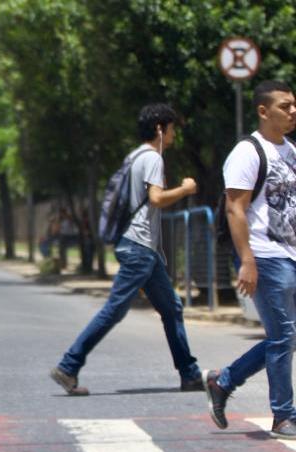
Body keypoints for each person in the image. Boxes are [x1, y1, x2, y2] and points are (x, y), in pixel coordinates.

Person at [50, 103, 203, 395]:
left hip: (141, 247)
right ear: (160, 128)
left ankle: (190, 374)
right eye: (171, 129)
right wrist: (185, 190)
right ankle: (69, 366)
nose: (173, 135)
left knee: (172, 309)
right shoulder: (154, 158)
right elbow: (156, 199)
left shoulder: (133, 156)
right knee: (114, 311)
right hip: (140, 247)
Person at [204, 80, 296, 439]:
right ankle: (283, 415)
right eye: (285, 106)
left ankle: (223, 382)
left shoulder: (290, 151)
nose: (292, 112)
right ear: (263, 111)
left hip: (289, 254)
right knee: (283, 336)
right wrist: (247, 260)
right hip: (264, 255)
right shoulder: (247, 152)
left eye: (293, 105)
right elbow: (235, 207)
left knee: (284, 337)